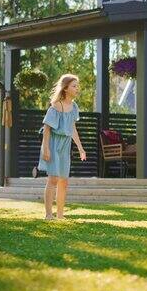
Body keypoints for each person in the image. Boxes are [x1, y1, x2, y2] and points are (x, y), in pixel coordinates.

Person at [38, 74, 86, 220]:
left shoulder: (74, 107)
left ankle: (60, 215)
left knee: (63, 181)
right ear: (65, 88)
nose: (77, 88)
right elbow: (47, 129)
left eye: (77, 86)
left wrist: (80, 148)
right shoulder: (56, 106)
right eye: (74, 86)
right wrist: (45, 149)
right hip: (53, 144)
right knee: (53, 179)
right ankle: (48, 214)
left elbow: (73, 129)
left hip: (65, 146)